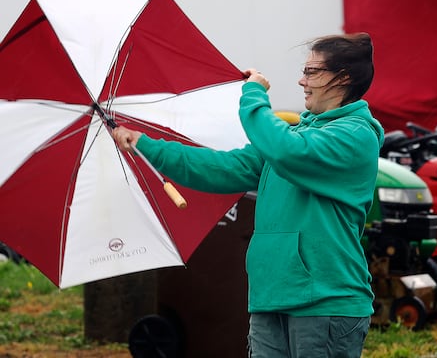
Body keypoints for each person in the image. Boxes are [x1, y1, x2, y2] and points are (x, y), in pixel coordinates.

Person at [112, 33, 384, 358]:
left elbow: (286, 151)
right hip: (271, 294)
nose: (301, 80)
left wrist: (254, 95)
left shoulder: (355, 135)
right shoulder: (295, 135)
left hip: (325, 300)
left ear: (344, 78)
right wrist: (146, 145)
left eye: (312, 72)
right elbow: (222, 167)